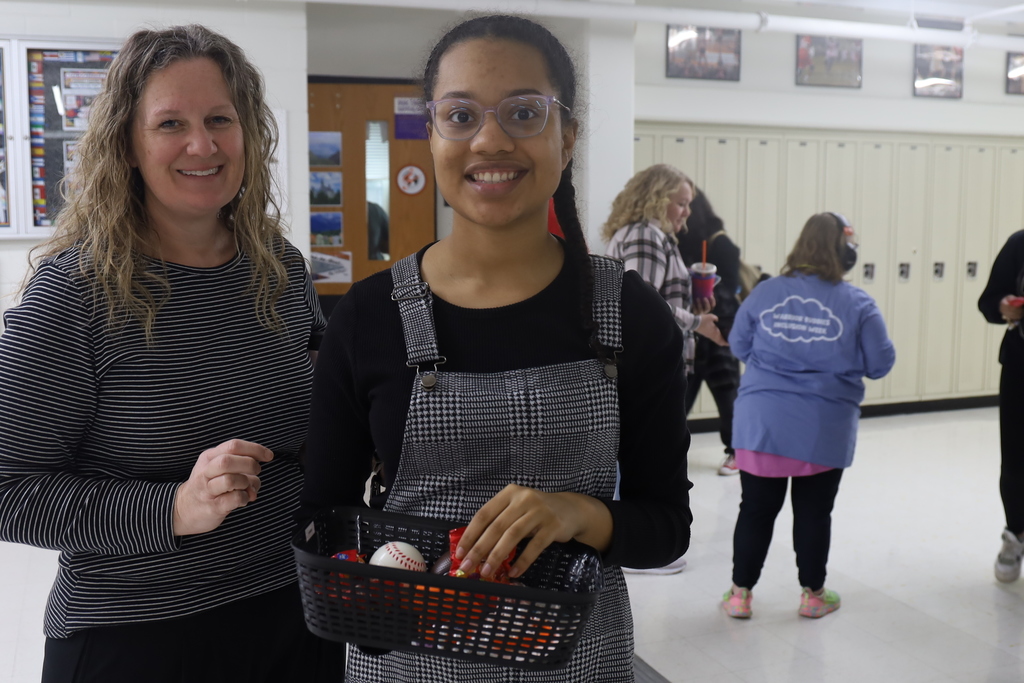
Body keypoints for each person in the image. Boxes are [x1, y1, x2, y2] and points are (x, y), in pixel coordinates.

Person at [300, 14, 692, 681]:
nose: (490, 139)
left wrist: (580, 511)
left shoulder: (630, 313)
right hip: (408, 662)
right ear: (431, 134)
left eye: (523, 112)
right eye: (460, 116)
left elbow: (666, 526)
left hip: (578, 664)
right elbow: (322, 519)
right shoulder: (368, 318)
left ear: (566, 137)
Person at [0, 25, 340, 682]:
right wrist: (175, 507)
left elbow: (311, 403)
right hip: (135, 634)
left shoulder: (281, 269)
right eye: (170, 124)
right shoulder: (74, 295)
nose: (202, 144)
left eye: (220, 119)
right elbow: (7, 489)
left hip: (295, 610)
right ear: (126, 143)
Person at [722, 212, 894, 619]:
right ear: (843, 252)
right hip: (822, 429)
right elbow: (880, 363)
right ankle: (813, 596)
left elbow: (739, 345)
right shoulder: (858, 304)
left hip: (761, 424)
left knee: (756, 509)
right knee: (814, 513)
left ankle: (739, 596)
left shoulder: (765, 293)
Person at [677, 189, 743, 475]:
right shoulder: (676, 240)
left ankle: (737, 451)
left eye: (688, 205)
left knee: (727, 392)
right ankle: (671, 447)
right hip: (691, 328)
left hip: (718, 327)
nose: (685, 213)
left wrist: (709, 288)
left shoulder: (720, 243)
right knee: (680, 393)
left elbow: (733, 285)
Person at [978, 230, 1024, 582]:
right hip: (1021, 366)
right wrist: (1004, 306)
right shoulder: (1020, 244)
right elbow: (989, 300)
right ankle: (1016, 534)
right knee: (1016, 458)